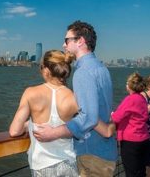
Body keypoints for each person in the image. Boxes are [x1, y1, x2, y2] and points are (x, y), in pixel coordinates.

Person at [33, 21, 117, 176]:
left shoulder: (83, 72)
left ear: (80, 41)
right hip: (106, 152)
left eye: (67, 40)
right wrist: (107, 129)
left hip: (92, 154)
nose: (63, 45)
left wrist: (53, 133)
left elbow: (89, 117)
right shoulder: (102, 68)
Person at [9, 50, 79, 176]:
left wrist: (30, 124)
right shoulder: (74, 97)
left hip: (42, 166)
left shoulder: (31, 93)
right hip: (69, 164)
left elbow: (14, 131)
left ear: (46, 70)